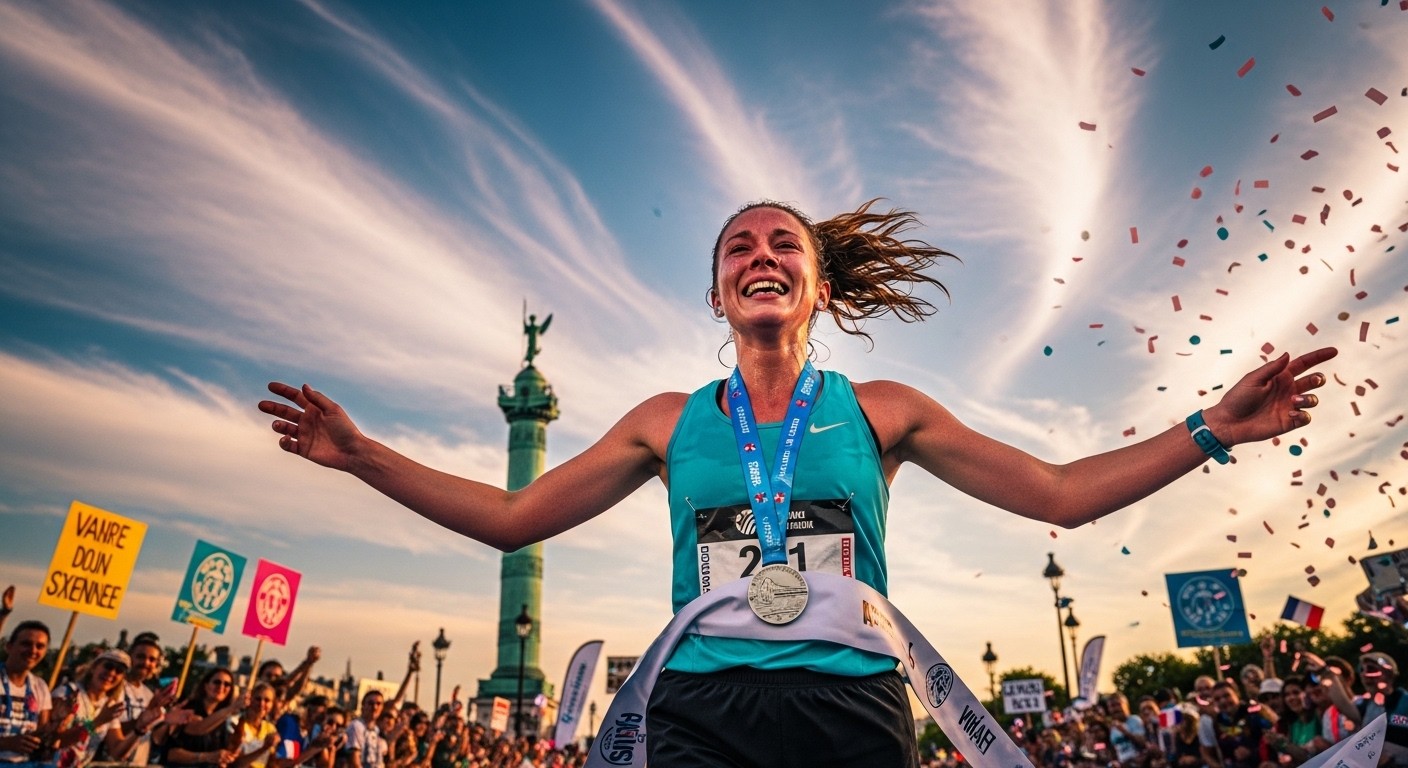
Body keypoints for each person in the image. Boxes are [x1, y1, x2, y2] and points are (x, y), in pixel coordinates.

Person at [260, 199, 1337, 767]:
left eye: (783, 243)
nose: (759, 254)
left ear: (816, 285)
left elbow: (1057, 492)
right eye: (738, 246)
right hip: (700, 709)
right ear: (718, 289)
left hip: (851, 704)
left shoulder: (881, 410)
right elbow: (508, 521)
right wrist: (363, 457)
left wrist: (1211, 428)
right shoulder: (662, 422)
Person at [51, 649, 128, 768]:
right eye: (108, 666)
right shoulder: (68, 694)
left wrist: (140, 729)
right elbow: (56, 740)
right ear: (94, 667)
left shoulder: (108, 705)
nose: (112, 673)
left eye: (119, 671)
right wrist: (97, 722)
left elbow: (117, 751)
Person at [163, 667, 241, 768]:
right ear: (206, 685)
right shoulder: (189, 709)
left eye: (227, 684)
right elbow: (171, 754)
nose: (221, 687)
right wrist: (207, 757)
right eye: (217, 682)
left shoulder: (222, 719)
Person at [1, 620, 54, 766]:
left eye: (40, 646)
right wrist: (4, 743)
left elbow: (42, 731)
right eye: (26, 644)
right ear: (9, 647)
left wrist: (59, 723)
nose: (33, 650)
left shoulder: (40, 686)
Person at [1343, 652, 1408, 767]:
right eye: (1361, 669)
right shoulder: (1364, 705)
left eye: (1371, 669)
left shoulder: (1404, 700)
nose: (1364, 674)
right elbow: (1342, 704)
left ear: (1389, 674)